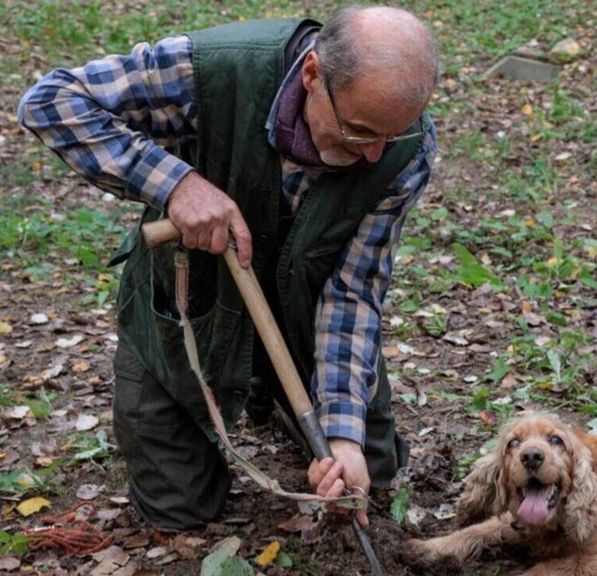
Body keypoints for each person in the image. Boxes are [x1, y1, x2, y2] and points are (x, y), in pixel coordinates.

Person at [18, 5, 439, 531]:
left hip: (301, 316)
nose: (374, 154)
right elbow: (51, 102)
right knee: (179, 508)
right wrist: (177, 185)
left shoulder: (405, 149)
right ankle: (235, 395)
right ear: (313, 74)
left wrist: (343, 434)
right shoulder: (211, 71)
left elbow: (353, 291)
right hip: (192, 312)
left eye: (389, 136)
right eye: (359, 131)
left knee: (369, 467)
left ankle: (279, 398)